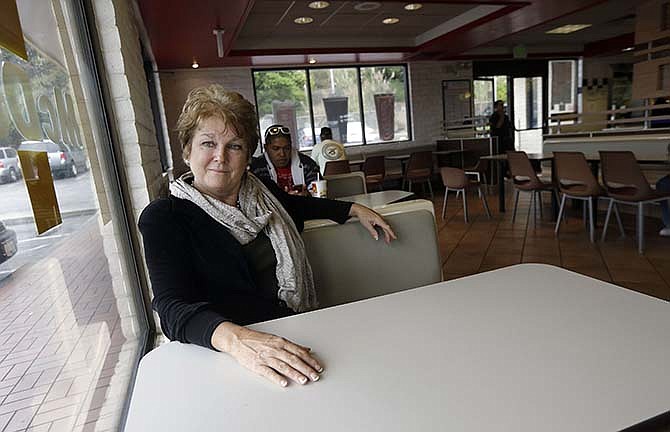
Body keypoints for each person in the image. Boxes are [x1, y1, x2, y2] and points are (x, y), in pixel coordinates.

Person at [138, 85, 396, 388]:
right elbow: (171, 308)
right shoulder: (164, 217)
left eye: (234, 146)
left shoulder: (261, 192)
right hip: (230, 361)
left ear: (248, 155)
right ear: (187, 150)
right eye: (208, 143)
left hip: (300, 330)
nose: (220, 157)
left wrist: (352, 208)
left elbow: (299, 205)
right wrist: (239, 341)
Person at [250, 124, 320, 195]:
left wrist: (309, 195)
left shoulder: (307, 164)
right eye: (276, 149)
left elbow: (319, 189)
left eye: (287, 148)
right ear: (266, 148)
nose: (282, 154)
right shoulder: (257, 168)